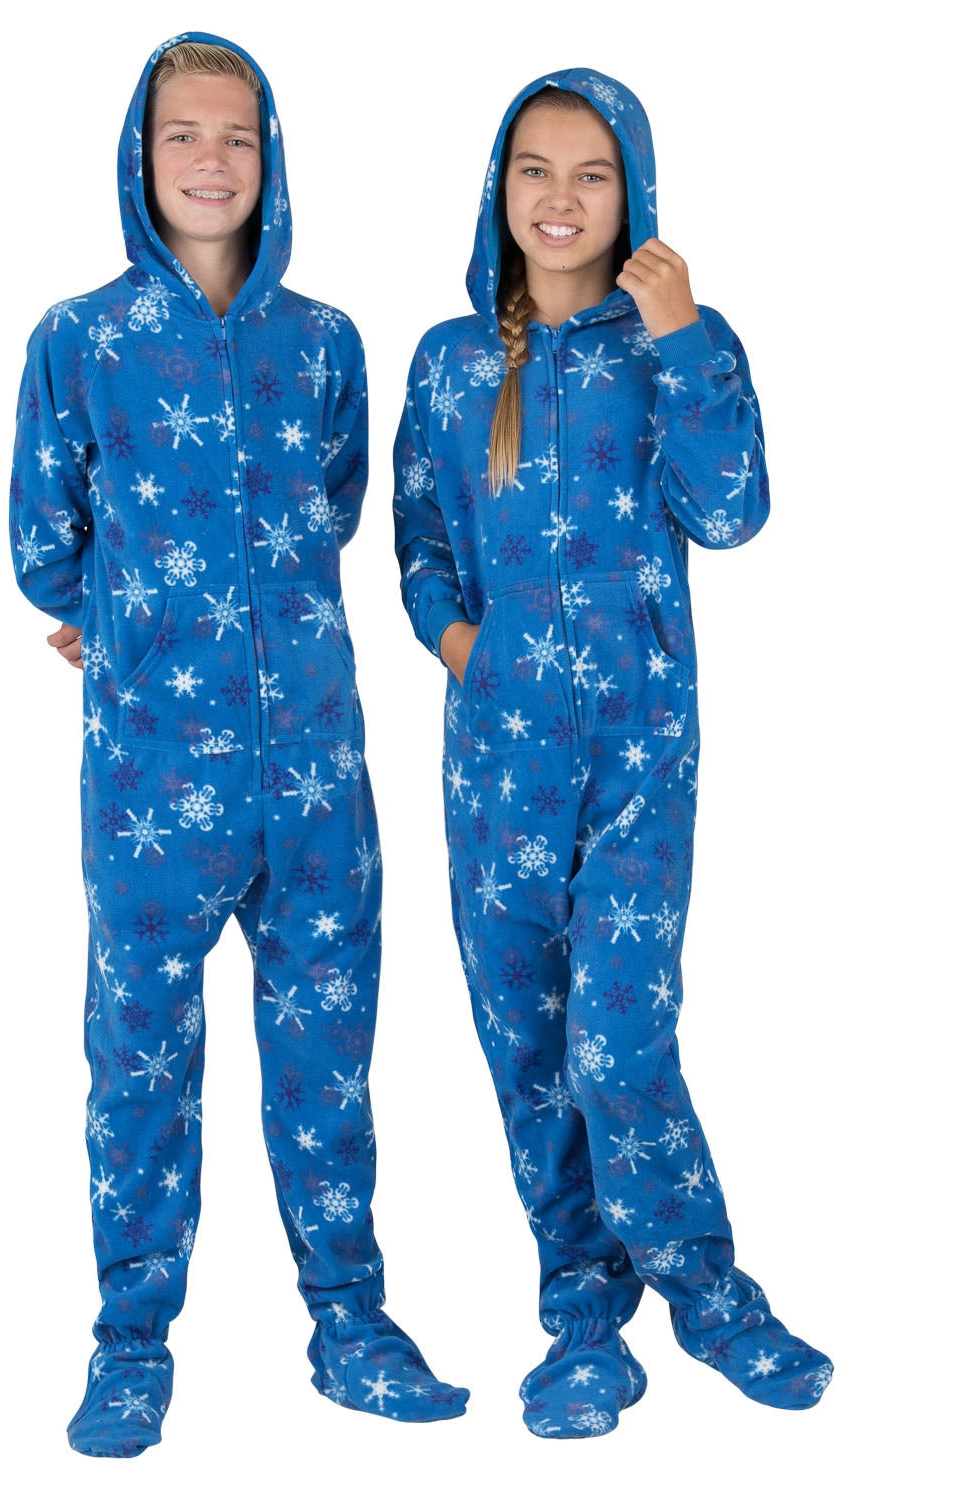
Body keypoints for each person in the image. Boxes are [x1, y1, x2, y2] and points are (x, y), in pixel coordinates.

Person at [9, 32, 468, 1458]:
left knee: (330, 1058)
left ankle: (352, 1323)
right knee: (140, 1066)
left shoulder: (325, 344)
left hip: (317, 773)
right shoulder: (80, 341)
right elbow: (41, 541)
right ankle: (131, 1345)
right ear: (139, 159)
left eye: (238, 137)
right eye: (183, 136)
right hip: (153, 775)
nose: (211, 162)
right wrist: (124, 620)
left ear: (271, 159)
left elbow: (334, 506)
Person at [392, 69, 832, 1439]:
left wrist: (685, 335)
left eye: (593, 174)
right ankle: (584, 1316)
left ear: (632, 194)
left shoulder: (676, 341)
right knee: (530, 1049)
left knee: (618, 1039)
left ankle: (709, 1295)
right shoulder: (451, 361)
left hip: (642, 758)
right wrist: (462, 647)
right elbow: (420, 539)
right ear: (500, 188)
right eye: (536, 168)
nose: (562, 197)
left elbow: (733, 512)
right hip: (495, 766)